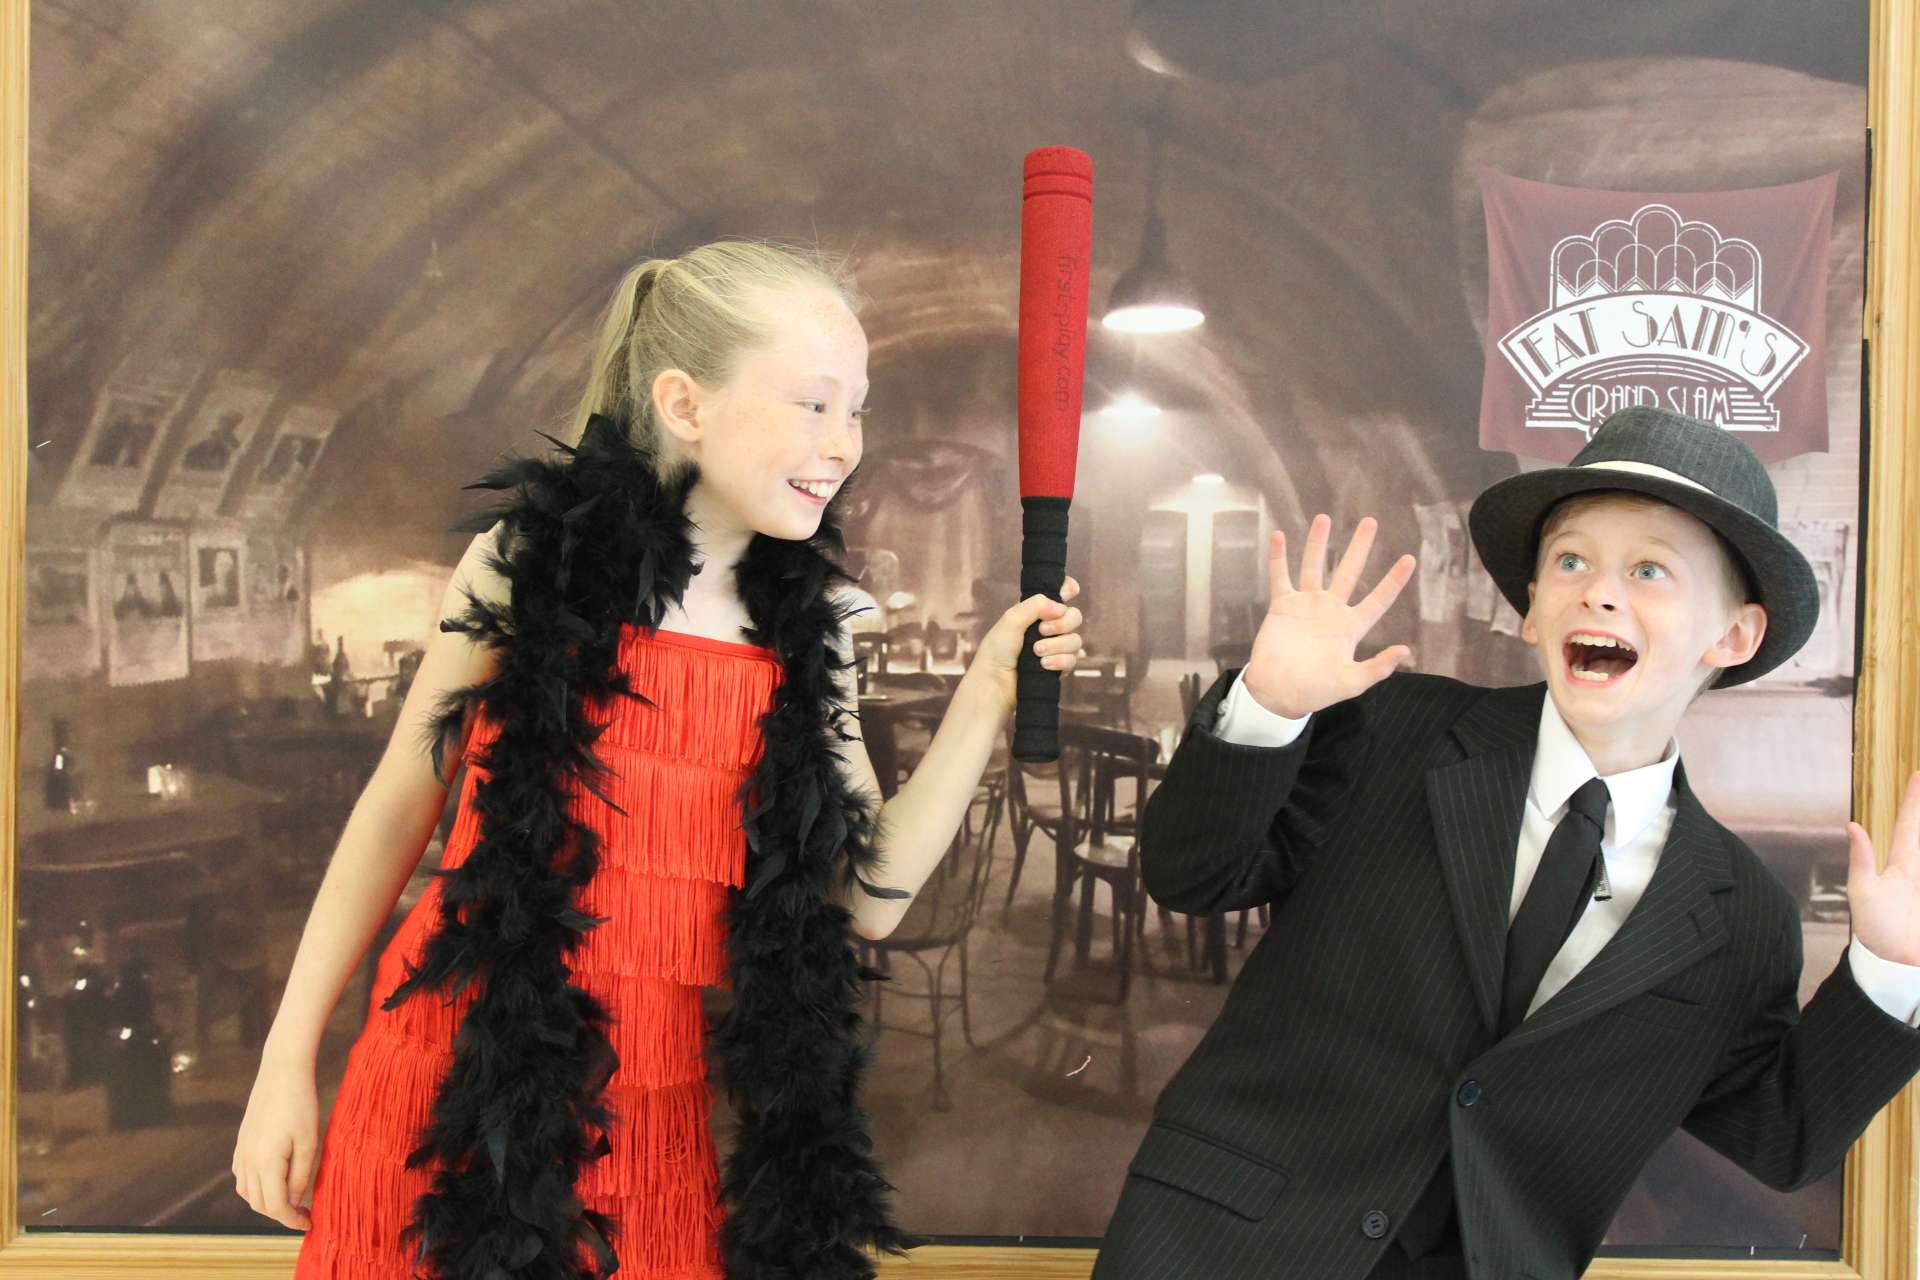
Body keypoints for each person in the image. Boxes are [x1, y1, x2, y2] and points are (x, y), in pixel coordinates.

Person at [231, 241, 1087, 1279]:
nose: (844, 445)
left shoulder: (812, 627)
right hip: (457, 1079)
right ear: (684, 404)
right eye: (814, 404)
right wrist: (286, 1058)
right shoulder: (523, 563)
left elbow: (870, 898)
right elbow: (396, 807)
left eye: (857, 410)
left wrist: (989, 691)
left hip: (654, 1108)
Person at [1094, 407, 1920, 1280]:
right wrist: (1268, 707)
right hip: (1222, 1249)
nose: (1599, 592)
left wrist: (1893, 968)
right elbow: (1192, 874)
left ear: (1735, 635)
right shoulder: (1389, 731)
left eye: (1649, 570)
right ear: (1530, 609)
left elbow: (1781, 1137)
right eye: (1570, 561)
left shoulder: (1743, 916)